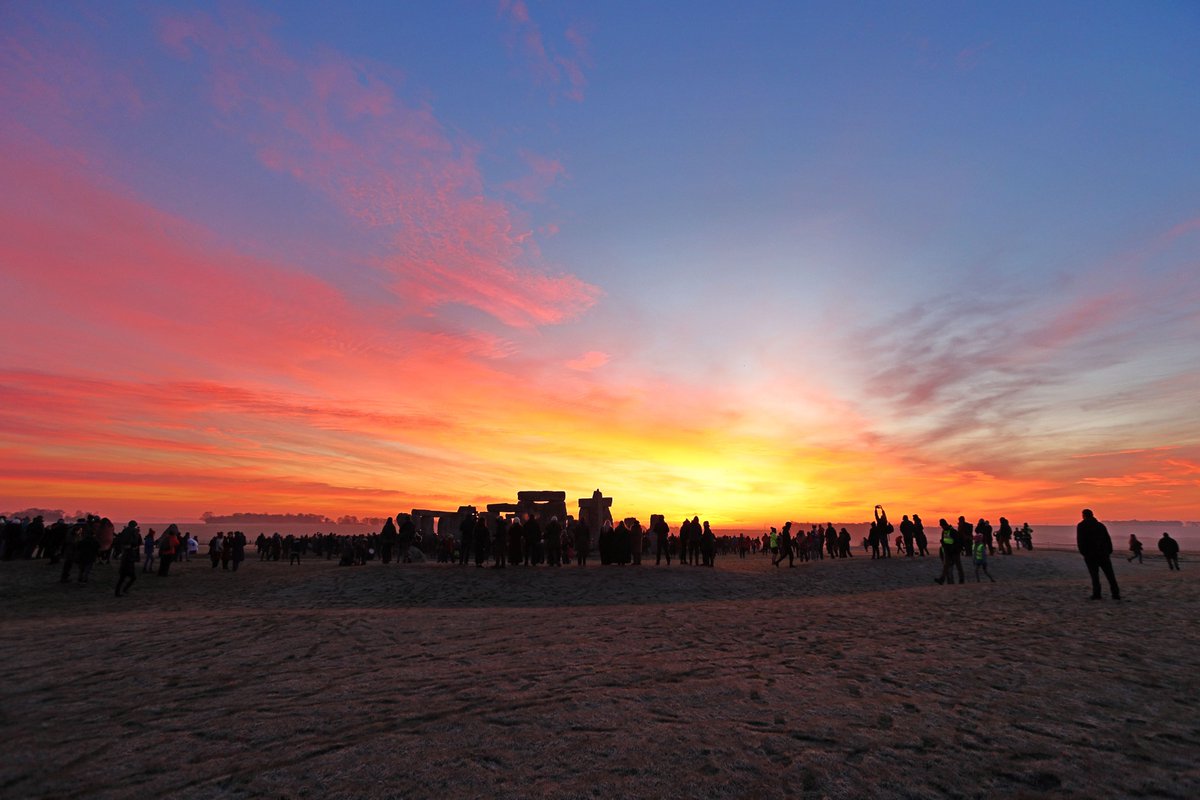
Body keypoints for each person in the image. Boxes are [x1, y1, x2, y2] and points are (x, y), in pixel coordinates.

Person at [1077, 509, 1120, 601]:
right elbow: (1108, 539)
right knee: (1110, 575)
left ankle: (1097, 594)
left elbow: (1080, 541)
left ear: (1084, 515)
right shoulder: (1100, 526)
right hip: (1103, 554)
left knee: (1095, 576)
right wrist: (1108, 551)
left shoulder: (1081, 526)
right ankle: (1115, 594)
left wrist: (1084, 553)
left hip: (1091, 555)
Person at [934, 519, 963, 585]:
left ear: (944, 524)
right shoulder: (944, 531)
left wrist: (953, 548)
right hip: (947, 551)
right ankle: (942, 579)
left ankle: (961, 579)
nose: (942, 527)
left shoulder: (952, 531)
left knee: (958, 566)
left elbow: (956, 541)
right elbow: (945, 541)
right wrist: (942, 542)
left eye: (942, 525)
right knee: (946, 566)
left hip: (954, 552)